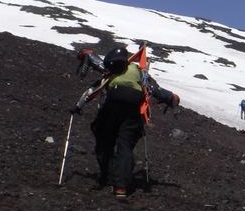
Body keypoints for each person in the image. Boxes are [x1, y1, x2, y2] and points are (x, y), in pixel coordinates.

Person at [70, 45, 180, 198]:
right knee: (125, 147)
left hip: (110, 110)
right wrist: (173, 98)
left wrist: (77, 107)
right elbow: (157, 92)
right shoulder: (140, 74)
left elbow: (91, 91)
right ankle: (121, 187)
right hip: (133, 113)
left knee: (104, 142)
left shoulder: (110, 71)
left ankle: (107, 178)